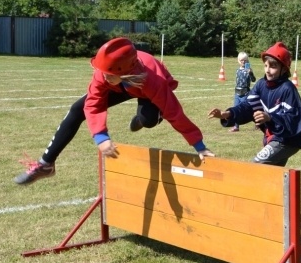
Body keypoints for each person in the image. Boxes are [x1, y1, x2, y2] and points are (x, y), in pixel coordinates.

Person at [13, 37, 215, 185]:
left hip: (144, 87)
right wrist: (101, 136)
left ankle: (141, 119)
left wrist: (199, 146)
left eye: (107, 74)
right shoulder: (105, 74)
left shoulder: (154, 81)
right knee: (77, 109)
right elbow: (93, 104)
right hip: (123, 86)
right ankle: (46, 164)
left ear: (123, 70)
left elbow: (175, 113)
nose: (101, 76)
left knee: (149, 119)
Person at [208, 42, 301, 166]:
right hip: (274, 137)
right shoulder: (261, 84)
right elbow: (248, 106)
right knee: (271, 176)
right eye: (265, 65)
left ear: (284, 69)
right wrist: (227, 114)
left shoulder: (287, 89)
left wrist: (270, 117)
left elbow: (294, 119)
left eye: (273, 66)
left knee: (256, 166)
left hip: (289, 139)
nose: (267, 70)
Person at [229, 52, 256, 132]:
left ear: (247, 60)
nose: (243, 62)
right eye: (241, 60)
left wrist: (250, 73)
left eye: (245, 60)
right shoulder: (237, 70)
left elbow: (253, 80)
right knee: (236, 109)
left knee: (248, 110)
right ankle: (236, 126)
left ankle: (257, 123)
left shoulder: (248, 70)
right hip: (237, 93)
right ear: (238, 61)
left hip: (245, 93)